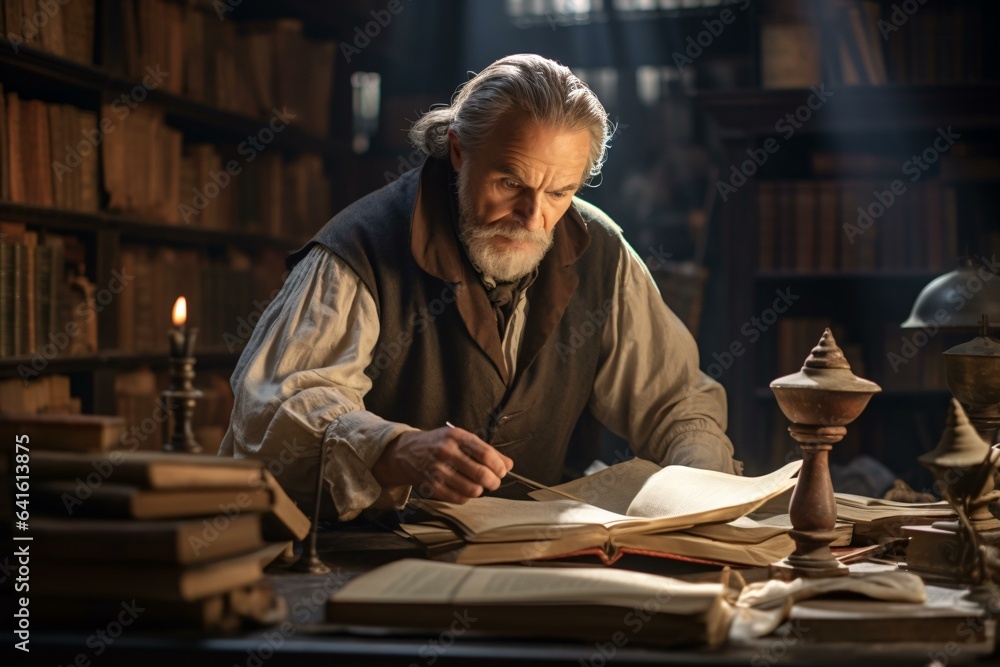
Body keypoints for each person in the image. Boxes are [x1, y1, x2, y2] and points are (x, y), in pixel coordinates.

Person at [219, 54, 741, 521]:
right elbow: (273, 411)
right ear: (459, 152)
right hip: (375, 559)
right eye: (510, 183)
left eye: (560, 191)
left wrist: (699, 490)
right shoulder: (361, 246)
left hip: (543, 557)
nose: (534, 217)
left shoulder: (601, 249)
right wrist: (394, 450)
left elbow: (678, 404)